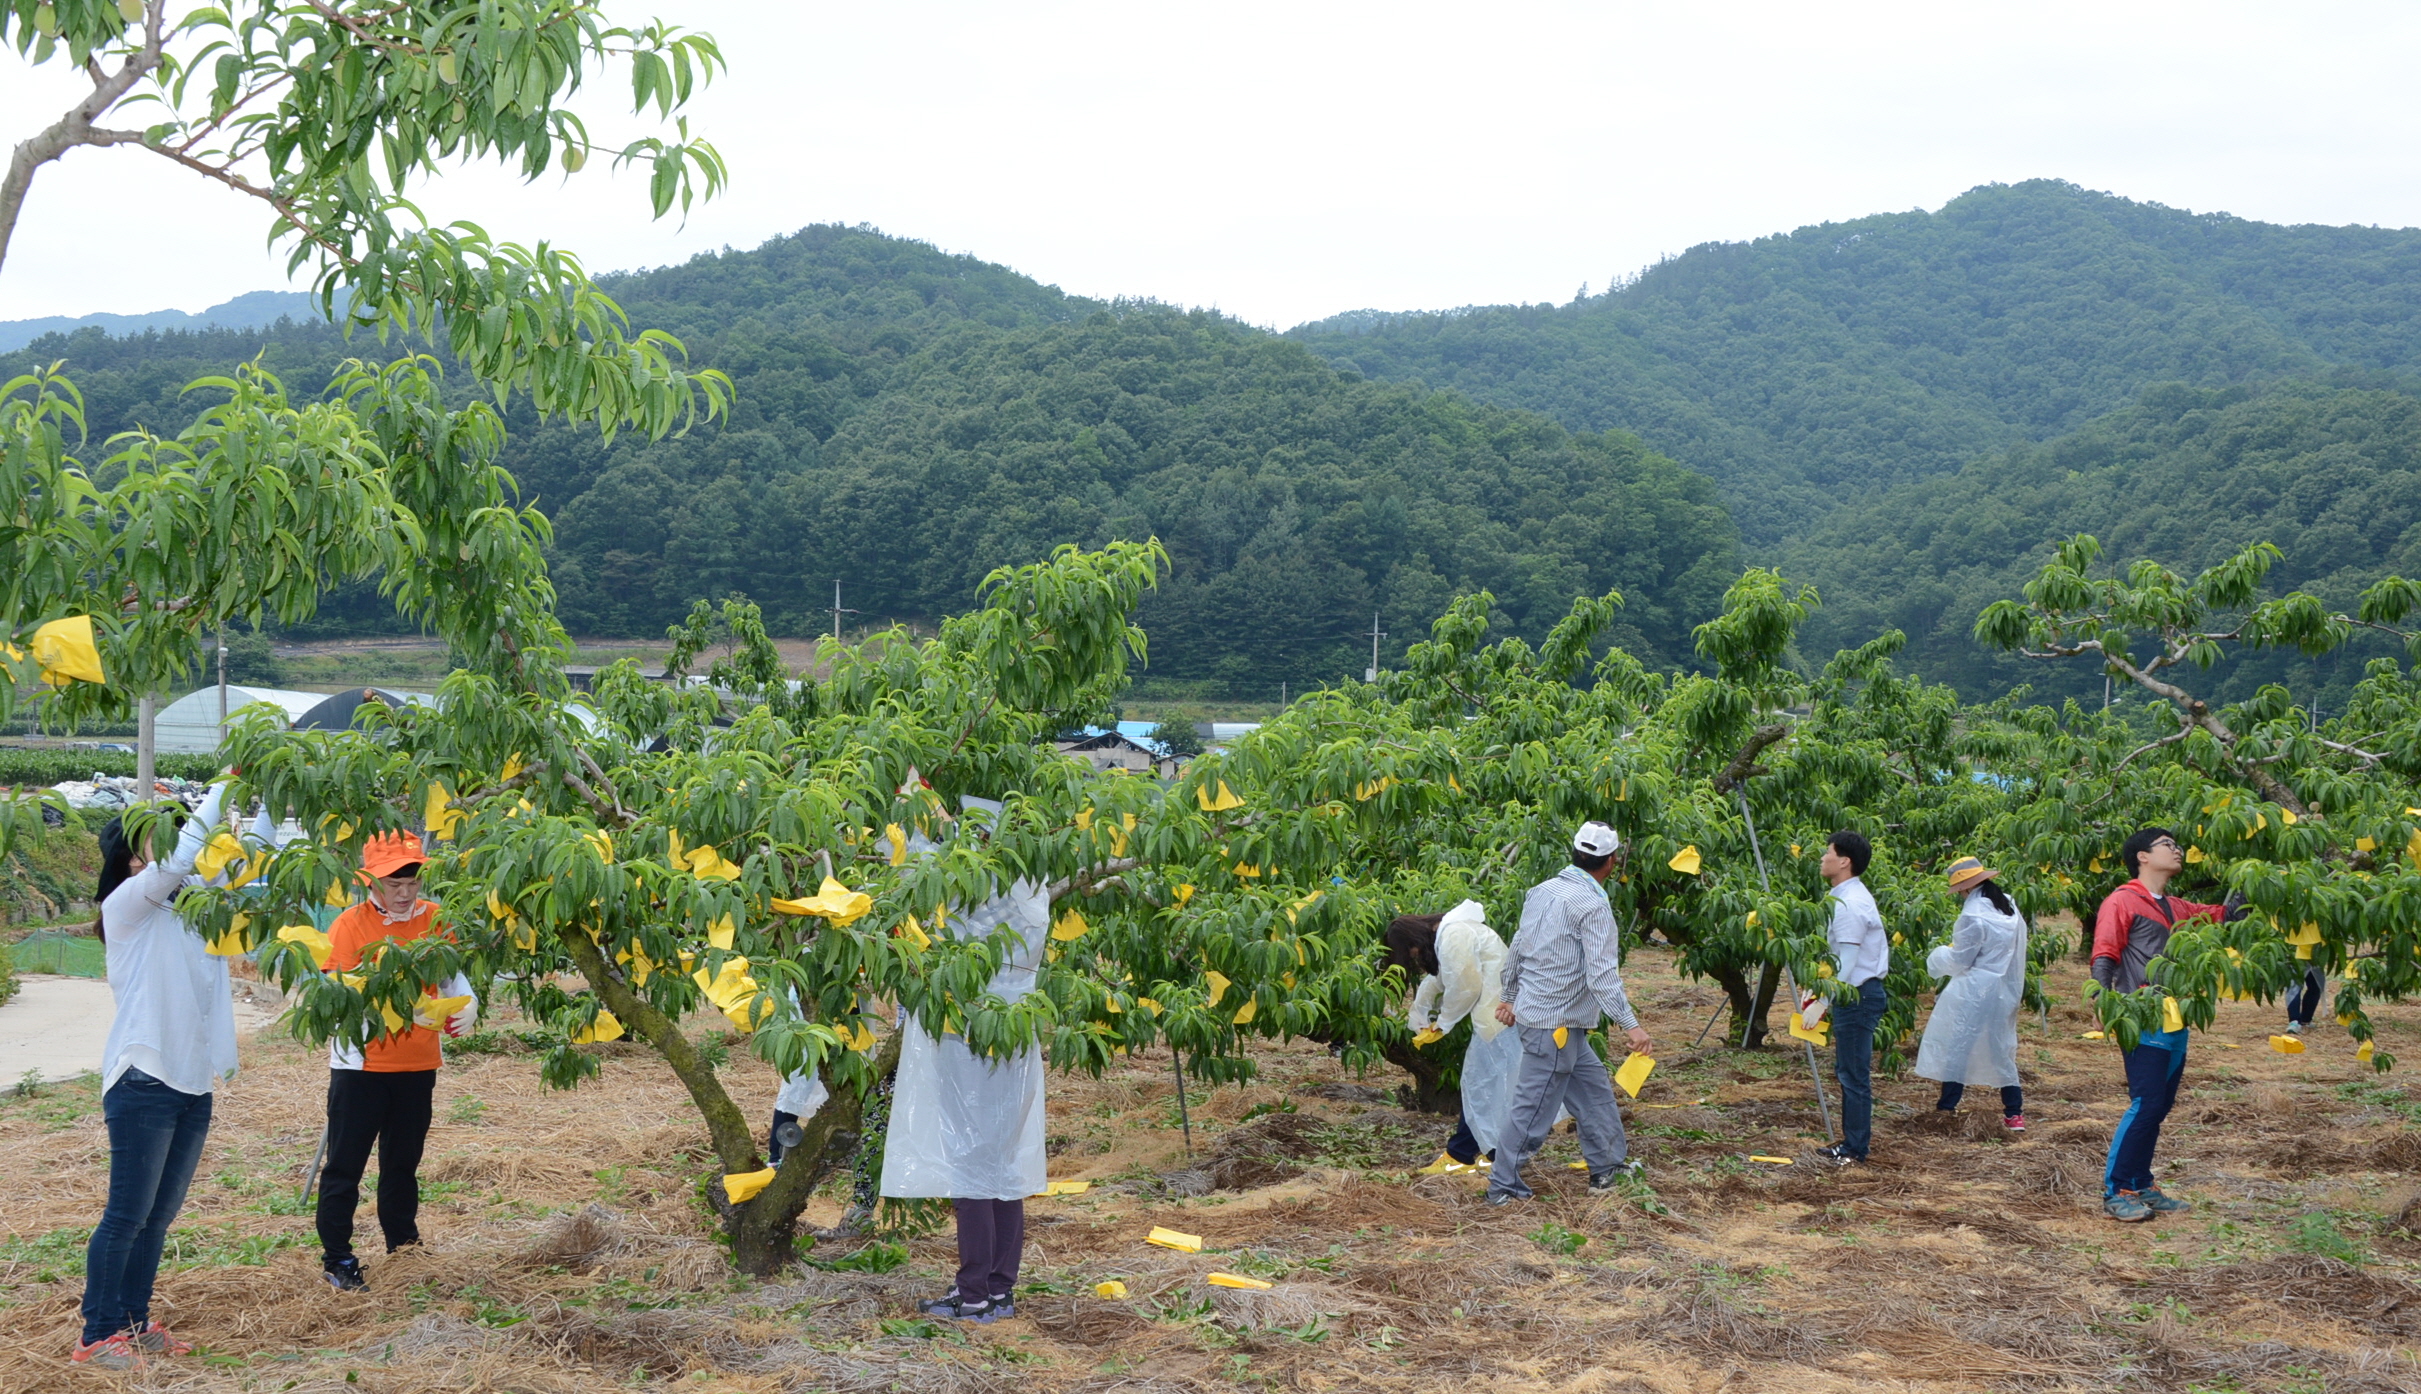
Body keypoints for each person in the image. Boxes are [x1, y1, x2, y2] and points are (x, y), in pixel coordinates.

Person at [75, 775, 240, 1370]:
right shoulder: (125, 906)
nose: (176, 845)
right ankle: (98, 1334)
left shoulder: (193, 909)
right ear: (131, 858)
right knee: (126, 1215)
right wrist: (225, 786)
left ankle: (134, 1323)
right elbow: (180, 859)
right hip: (143, 1079)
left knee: (156, 1218)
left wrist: (266, 793)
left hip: (193, 1083)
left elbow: (243, 864)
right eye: (158, 837)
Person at [886, 797, 1046, 1323]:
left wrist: (911, 813)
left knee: (969, 1168)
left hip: (967, 1042)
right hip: (1014, 1039)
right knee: (1003, 1166)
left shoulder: (973, 893)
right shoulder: (1033, 890)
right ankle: (999, 1290)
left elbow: (916, 875)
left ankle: (973, 1294)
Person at [316, 831, 477, 1291]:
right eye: (394, 884)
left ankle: (403, 1245)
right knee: (345, 1165)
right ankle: (338, 1257)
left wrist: (467, 1002)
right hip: (361, 1066)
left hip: (417, 1063)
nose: (405, 893)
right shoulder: (349, 925)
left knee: (403, 1163)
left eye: (412, 882)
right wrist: (400, 1010)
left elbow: (451, 976)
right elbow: (339, 995)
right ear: (370, 881)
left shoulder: (435, 919)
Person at [1485, 822, 1653, 1206]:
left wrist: (1510, 995)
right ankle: (1503, 1186)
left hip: (1558, 1022)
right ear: (1611, 861)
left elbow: (1519, 945)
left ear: (1576, 852)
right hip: (1554, 1027)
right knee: (1534, 1108)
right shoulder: (1593, 905)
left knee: (1594, 1094)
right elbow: (1601, 975)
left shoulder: (1542, 891)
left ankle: (1607, 1169)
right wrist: (1631, 1025)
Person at [2092, 827, 2241, 1223]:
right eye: (2167, 845)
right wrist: (2100, 999)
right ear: (2142, 856)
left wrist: (2247, 882)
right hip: (2141, 1012)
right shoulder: (2123, 900)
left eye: (2177, 845)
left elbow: (2223, 916)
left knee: (2160, 1104)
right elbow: (2105, 952)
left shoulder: (2175, 906)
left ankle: (2141, 1183)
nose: (2178, 850)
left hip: (2176, 1015)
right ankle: (2117, 1190)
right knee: (2145, 1102)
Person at [1385, 900, 1527, 1169]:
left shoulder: (1455, 934)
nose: (1416, 957)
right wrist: (1419, 1011)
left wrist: (1443, 1023)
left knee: (1483, 1086)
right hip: (1500, 1013)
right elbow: (1440, 978)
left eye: (1412, 952)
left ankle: (1464, 1155)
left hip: (1499, 1016)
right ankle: (1482, 1154)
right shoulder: (1451, 932)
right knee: (1491, 1086)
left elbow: (1465, 986)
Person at [1913, 857, 2030, 1132]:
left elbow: (1961, 960)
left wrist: (1938, 955)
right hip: (2004, 989)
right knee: (2001, 1047)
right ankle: (2014, 1113)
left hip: (1975, 990)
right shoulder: (2007, 904)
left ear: (1965, 887)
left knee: (1959, 1046)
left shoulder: (1972, 915)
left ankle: (1946, 1107)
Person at [1816, 830, 1889, 1167]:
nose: (1823, 858)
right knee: (1848, 1070)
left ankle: (1855, 1149)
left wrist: (1823, 1001)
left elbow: (1846, 961)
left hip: (1856, 995)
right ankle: (1851, 1143)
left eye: (1828, 852)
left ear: (1844, 861)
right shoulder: (1843, 897)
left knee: (1853, 1074)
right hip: (1854, 993)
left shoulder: (1850, 904)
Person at [2283, 965, 2327, 1037]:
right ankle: (2294, 1021)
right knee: (2295, 986)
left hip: (2315, 960)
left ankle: (2305, 1020)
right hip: (2299, 959)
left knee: (2315, 985)